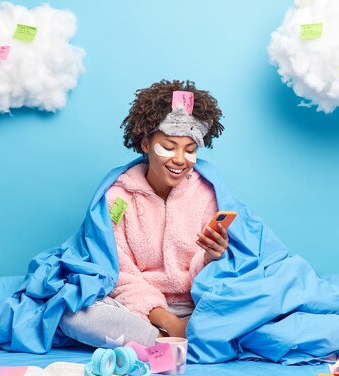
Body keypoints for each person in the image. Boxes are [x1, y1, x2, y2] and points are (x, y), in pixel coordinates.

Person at [59, 80, 229, 347]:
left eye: (190, 150)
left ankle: (165, 342)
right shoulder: (118, 198)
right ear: (145, 144)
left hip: (198, 305)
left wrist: (210, 257)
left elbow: (231, 271)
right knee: (70, 311)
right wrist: (165, 319)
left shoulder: (207, 192)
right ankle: (165, 340)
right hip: (139, 310)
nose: (180, 159)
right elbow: (117, 271)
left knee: (256, 304)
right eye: (169, 147)